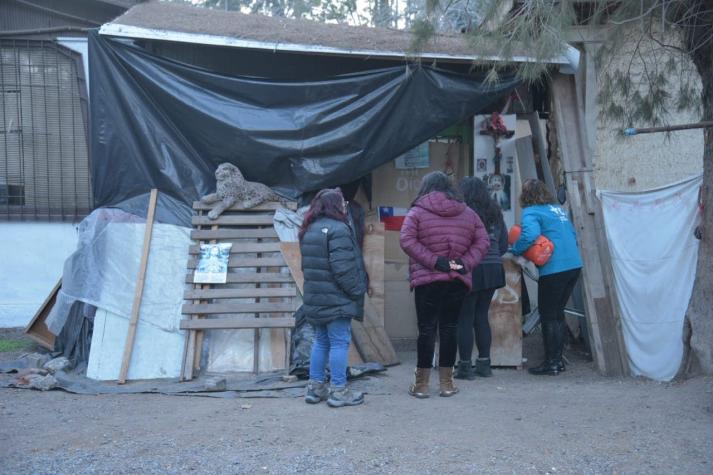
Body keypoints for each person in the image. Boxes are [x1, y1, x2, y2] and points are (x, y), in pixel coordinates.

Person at [399, 171, 490, 398]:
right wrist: (464, 263)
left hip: (427, 279)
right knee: (449, 329)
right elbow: (483, 241)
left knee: (427, 330)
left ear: (426, 187)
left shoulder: (418, 211)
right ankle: (447, 384)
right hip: (457, 280)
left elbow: (406, 240)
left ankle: (421, 385)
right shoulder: (467, 212)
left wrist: (434, 262)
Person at [300, 188, 368, 406]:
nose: (346, 206)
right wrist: (358, 291)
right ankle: (339, 390)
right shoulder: (339, 229)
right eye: (343, 203)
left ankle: (315, 388)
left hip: (316, 298)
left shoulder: (308, 229)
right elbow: (344, 270)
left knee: (321, 342)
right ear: (335, 206)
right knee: (339, 343)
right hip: (337, 299)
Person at [511, 179, 583, 376]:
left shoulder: (531, 211)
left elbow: (529, 235)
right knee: (557, 313)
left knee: (548, 314)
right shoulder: (557, 209)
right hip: (573, 265)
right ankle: (558, 361)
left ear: (525, 196)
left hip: (555, 269)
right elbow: (572, 233)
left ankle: (551, 363)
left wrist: (515, 249)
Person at [455, 177, 508, 380]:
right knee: (481, 316)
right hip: (494, 267)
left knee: (465, 318)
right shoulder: (495, 212)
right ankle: (484, 364)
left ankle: (465, 367)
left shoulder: (461, 212)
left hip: (470, 266)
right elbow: (503, 244)